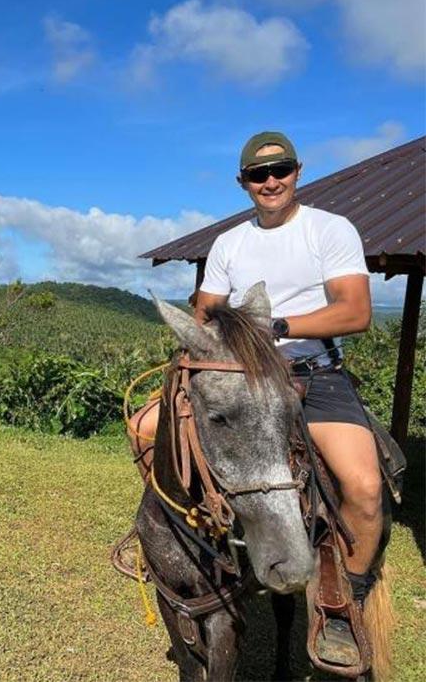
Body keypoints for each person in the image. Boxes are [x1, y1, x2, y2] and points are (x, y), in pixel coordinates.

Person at [130, 131, 379, 662]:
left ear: (297, 171)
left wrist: (276, 326)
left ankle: (340, 607)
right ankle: (174, 539)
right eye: (257, 175)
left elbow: (355, 311)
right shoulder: (231, 243)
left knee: (362, 488)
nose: (270, 181)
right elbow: (206, 309)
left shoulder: (329, 230)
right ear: (243, 184)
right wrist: (196, 353)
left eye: (280, 170)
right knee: (148, 427)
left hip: (311, 374)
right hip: (238, 373)